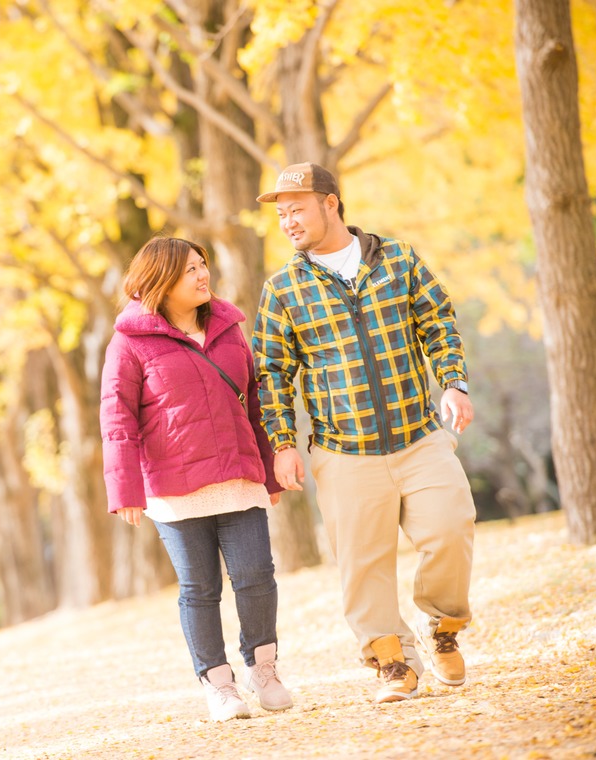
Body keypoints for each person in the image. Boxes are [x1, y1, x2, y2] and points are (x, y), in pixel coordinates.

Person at [252, 162, 477, 704]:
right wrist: (283, 443)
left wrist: (453, 382)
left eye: (297, 208)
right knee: (363, 564)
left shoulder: (397, 258)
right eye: (281, 214)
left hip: (419, 435)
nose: (288, 221)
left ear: (331, 203)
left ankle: (443, 626)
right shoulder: (283, 289)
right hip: (343, 450)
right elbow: (271, 373)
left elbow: (438, 320)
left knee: (451, 528)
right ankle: (391, 662)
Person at [100, 236, 292, 721]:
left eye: (203, 264)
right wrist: (125, 491)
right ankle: (219, 684)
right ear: (160, 281)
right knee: (199, 589)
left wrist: (271, 470)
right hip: (174, 492)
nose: (203, 274)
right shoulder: (128, 343)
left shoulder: (230, 328)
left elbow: (254, 401)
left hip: (238, 477)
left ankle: (263, 669)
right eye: (190, 270)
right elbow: (116, 419)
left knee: (256, 578)